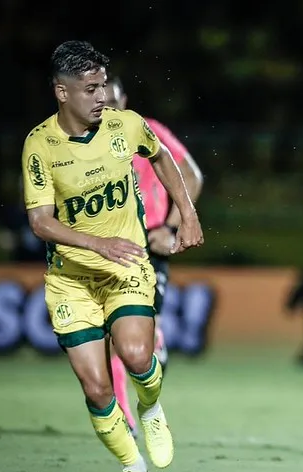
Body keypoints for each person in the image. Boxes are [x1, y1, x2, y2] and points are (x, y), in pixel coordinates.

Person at [21, 41, 204, 472]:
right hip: (71, 280)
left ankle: (151, 407)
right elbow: (41, 222)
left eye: (104, 85)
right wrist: (97, 242)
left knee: (138, 355)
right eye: (91, 89)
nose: (103, 96)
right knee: (97, 387)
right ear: (62, 93)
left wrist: (186, 212)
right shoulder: (39, 145)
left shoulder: (127, 125)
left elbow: (163, 157)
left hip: (126, 267)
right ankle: (132, 466)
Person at [103, 77, 204, 436]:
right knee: (111, 340)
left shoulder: (146, 131)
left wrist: (172, 227)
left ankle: (150, 380)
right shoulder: (79, 144)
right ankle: (125, 421)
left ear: (124, 101)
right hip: (102, 249)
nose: (108, 111)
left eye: (114, 103)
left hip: (146, 247)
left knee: (138, 344)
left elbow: (191, 175)